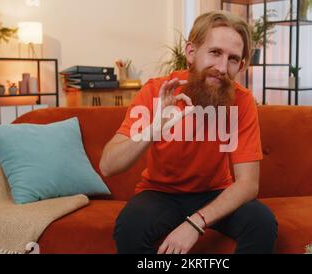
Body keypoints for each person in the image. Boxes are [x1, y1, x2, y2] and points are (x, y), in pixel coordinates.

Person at [99, 10, 277, 254]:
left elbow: (247, 184)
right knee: (129, 229)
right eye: (215, 53)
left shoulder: (241, 101)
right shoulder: (156, 92)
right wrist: (153, 129)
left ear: (242, 65)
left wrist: (195, 223)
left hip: (215, 193)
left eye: (233, 59)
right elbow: (108, 165)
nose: (222, 67)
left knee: (262, 223)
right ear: (191, 52)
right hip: (160, 193)